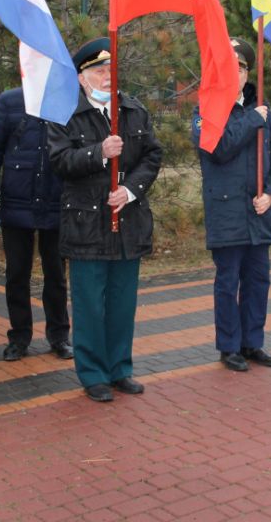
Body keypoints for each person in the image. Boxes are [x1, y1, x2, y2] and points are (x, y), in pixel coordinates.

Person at [48, 38, 162, 402]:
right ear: (81, 78)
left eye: (110, 68)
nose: (106, 75)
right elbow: (59, 161)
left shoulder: (132, 109)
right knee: (90, 304)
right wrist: (99, 152)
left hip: (127, 222)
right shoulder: (64, 112)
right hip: (86, 225)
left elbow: (152, 155)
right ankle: (93, 373)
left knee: (122, 302)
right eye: (98, 70)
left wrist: (130, 190)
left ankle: (120, 368)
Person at [192, 38, 271, 372]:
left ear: (248, 73)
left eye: (243, 66)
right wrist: (253, 121)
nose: (237, 72)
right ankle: (229, 346)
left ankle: (253, 342)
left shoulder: (259, 108)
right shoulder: (206, 109)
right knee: (228, 282)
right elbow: (219, 148)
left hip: (258, 212)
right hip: (226, 212)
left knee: (257, 281)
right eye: (230, 66)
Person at [0, 86, 71, 362]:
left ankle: (59, 337)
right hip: (17, 202)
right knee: (16, 274)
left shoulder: (66, 96)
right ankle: (19, 337)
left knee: (56, 275)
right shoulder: (10, 101)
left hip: (56, 200)